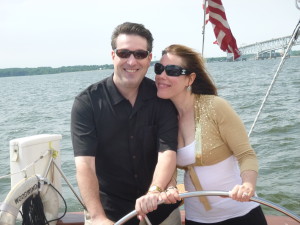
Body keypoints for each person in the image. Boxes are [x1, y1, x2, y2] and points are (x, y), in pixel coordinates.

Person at [136, 44, 268, 225]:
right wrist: (171, 186)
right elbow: (169, 160)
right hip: (196, 218)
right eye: (159, 68)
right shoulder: (165, 117)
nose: (162, 76)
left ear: (190, 79)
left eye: (172, 70)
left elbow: (246, 155)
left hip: (240, 213)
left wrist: (248, 185)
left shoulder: (215, 106)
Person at [71, 23, 182, 225]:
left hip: (160, 211)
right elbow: (85, 165)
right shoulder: (87, 103)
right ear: (113, 56)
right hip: (109, 214)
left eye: (140, 54)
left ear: (149, 59)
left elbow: (167, 152)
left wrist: (153, 192)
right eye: (124, 53)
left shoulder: (163, 99)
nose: (131, 61)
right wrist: (97, 217)